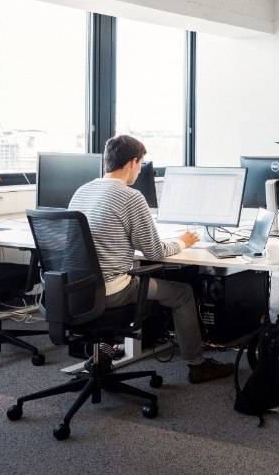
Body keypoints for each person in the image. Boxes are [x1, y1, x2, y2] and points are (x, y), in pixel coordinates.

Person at [68, 135, 234, 384]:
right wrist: (183, 242)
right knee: (182, 293)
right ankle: (197, 365)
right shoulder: (130, 197)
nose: (139, 170)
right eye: (141, 164)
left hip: (76, 290)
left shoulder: (82, 191)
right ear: (133, 162)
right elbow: (154, 252)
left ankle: (103, 354)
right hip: (112, 291)